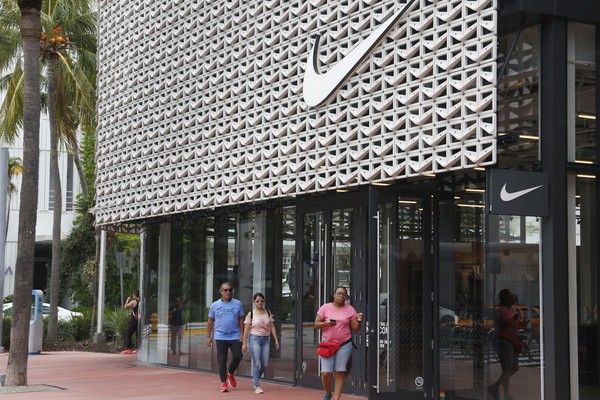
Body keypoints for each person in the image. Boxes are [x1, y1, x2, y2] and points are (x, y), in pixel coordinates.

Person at [315, 286, 363, 400]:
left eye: (344, 294)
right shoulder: (325, 308)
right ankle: (328, 393)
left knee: (339, 372)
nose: (341, 296)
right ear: (334, 295)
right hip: (327, 344)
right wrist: (326, 323)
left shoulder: (350, 309)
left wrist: (359, 320)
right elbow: (316, 324)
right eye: (339, 293)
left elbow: (355, 329)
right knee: (326, 372)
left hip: (344, 344)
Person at [206, 282, 245, 393]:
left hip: (235, 335)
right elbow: (210, 321)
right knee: (222, 360)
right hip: (220, 336)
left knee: (238, 356)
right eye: (226, 290)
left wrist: (242, 333)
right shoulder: (215, 305)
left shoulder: (238, 303)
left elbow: (241, 319)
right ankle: (223, 383)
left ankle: (230, 372)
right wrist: (208, 336)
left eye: (230, 290)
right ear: (221, 291)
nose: (228, 292)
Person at [488, 289, 524, 400]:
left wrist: (520, 323)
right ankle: (506, 394)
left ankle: (495, 387)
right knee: (507, 368)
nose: (513, 298)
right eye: (511, 296)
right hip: (504, 341)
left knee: (514, 368)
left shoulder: (513, 309)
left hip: (513, 341)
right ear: (505, 298)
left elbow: (515, 323)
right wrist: (509, 321)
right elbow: (500, 325)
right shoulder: (501, 310)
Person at [242, 292, 280, 394]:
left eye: (262, 301)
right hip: (254, 339)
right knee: (257, 362)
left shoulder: (267, 312)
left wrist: (276, 339)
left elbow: (272, 326)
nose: (260, 303)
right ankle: (257, 385)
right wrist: (244, 343)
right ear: (254, 302)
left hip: (266, 339)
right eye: (257, 301)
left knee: (265, 362)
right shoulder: (251, 313)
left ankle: (255, 378)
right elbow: (246, 329)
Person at [121, 290, 140, 355]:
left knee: (129, 334)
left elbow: (125, 307)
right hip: (139, 321)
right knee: (138, 335)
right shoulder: (141, 301)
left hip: (134, 321)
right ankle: (138, 349)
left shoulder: (134, 301)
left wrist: (127, 300)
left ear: (134, 295)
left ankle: (128, 349)